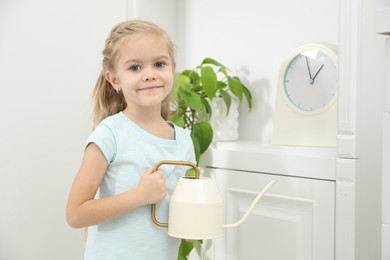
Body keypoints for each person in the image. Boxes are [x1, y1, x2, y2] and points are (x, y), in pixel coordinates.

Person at [66, 20, 196, 260]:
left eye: (159, 64)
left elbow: (184, 217)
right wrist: (139, 196)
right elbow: (75, 214)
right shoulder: (109, 135)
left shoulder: (185, 142)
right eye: (135, 68)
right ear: (114, 79)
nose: (150, 75)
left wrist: (195, 221)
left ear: (172, 68)